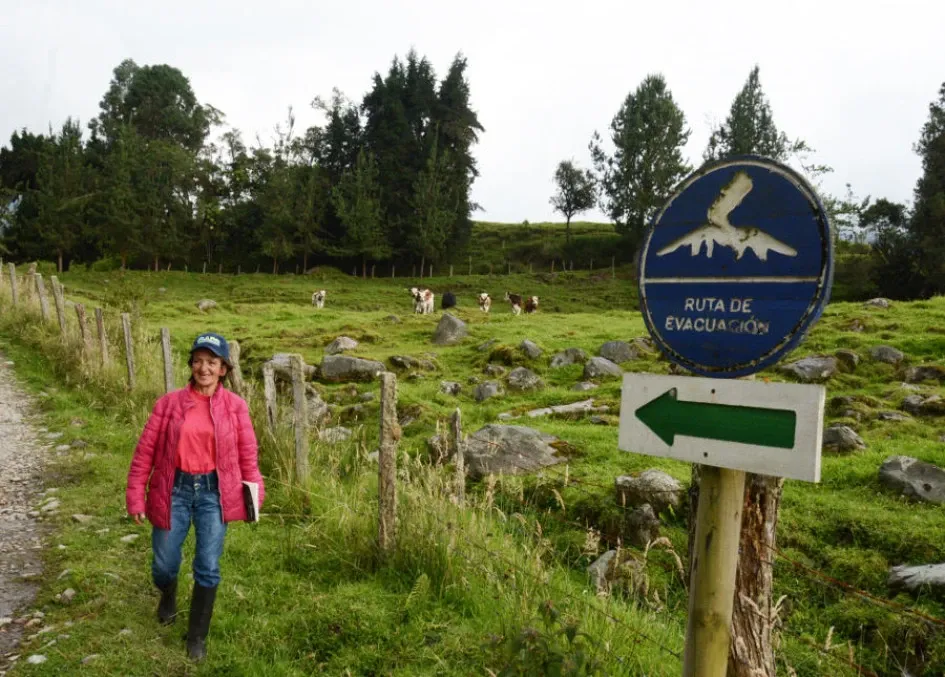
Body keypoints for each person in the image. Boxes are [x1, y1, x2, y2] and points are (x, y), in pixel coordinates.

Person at [125, 332, 265, 661]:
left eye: (212, 362)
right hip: (173, 488)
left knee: (208, 565)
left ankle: (197, 637)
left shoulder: (235, 407)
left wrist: (254, 495)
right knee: (164, 564)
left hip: (214, 493)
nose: (204, 368)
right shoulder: (169, 403)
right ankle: (168, 593)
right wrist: (135, 494)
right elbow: (144, 453)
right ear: (191, 365)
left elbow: (248, 455)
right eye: (198, 361)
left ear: (223, 369)